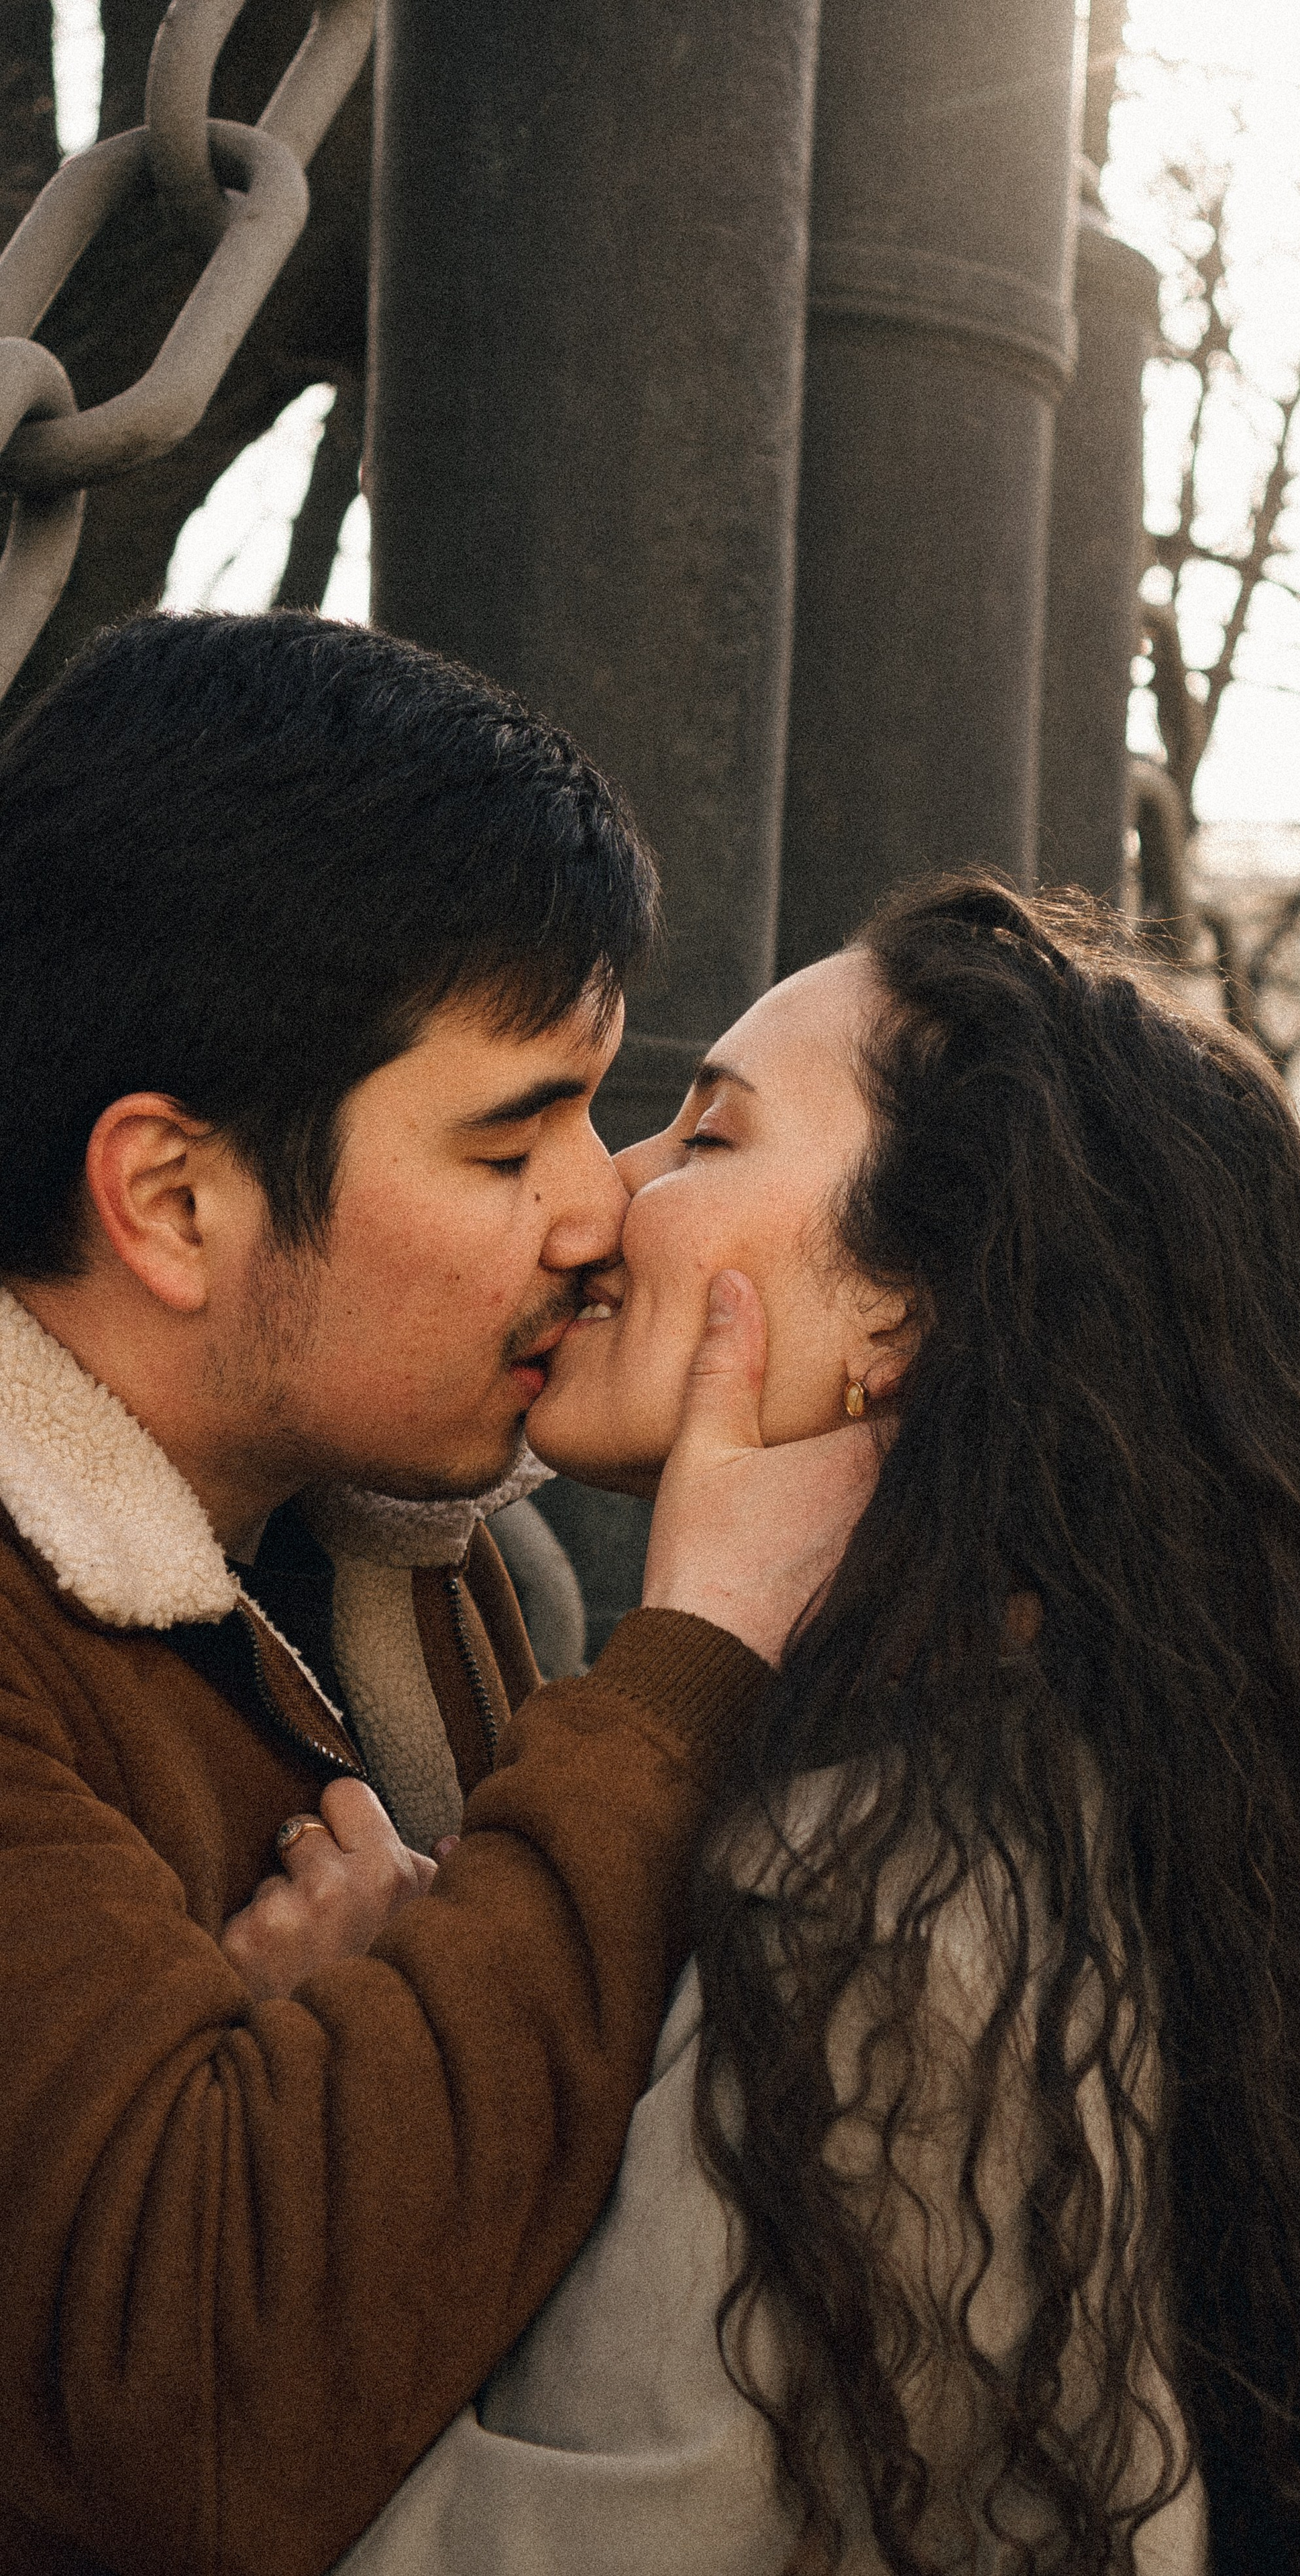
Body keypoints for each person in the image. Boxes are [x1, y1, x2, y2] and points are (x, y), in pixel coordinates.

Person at [264, 874, 1300, 2576]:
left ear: (906, 1309)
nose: (606, 1191)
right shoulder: (1065, 1778)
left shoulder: (885, 1901)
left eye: (705, 1136)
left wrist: (349, 2106)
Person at [0, 610, 873, 2576]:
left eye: (595, 1109)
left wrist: (352, 2050)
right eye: (508, 1144)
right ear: (176, 1201)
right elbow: (197, 2409)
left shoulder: (401, 1554)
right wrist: (692, 1668)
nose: (602, 1207)